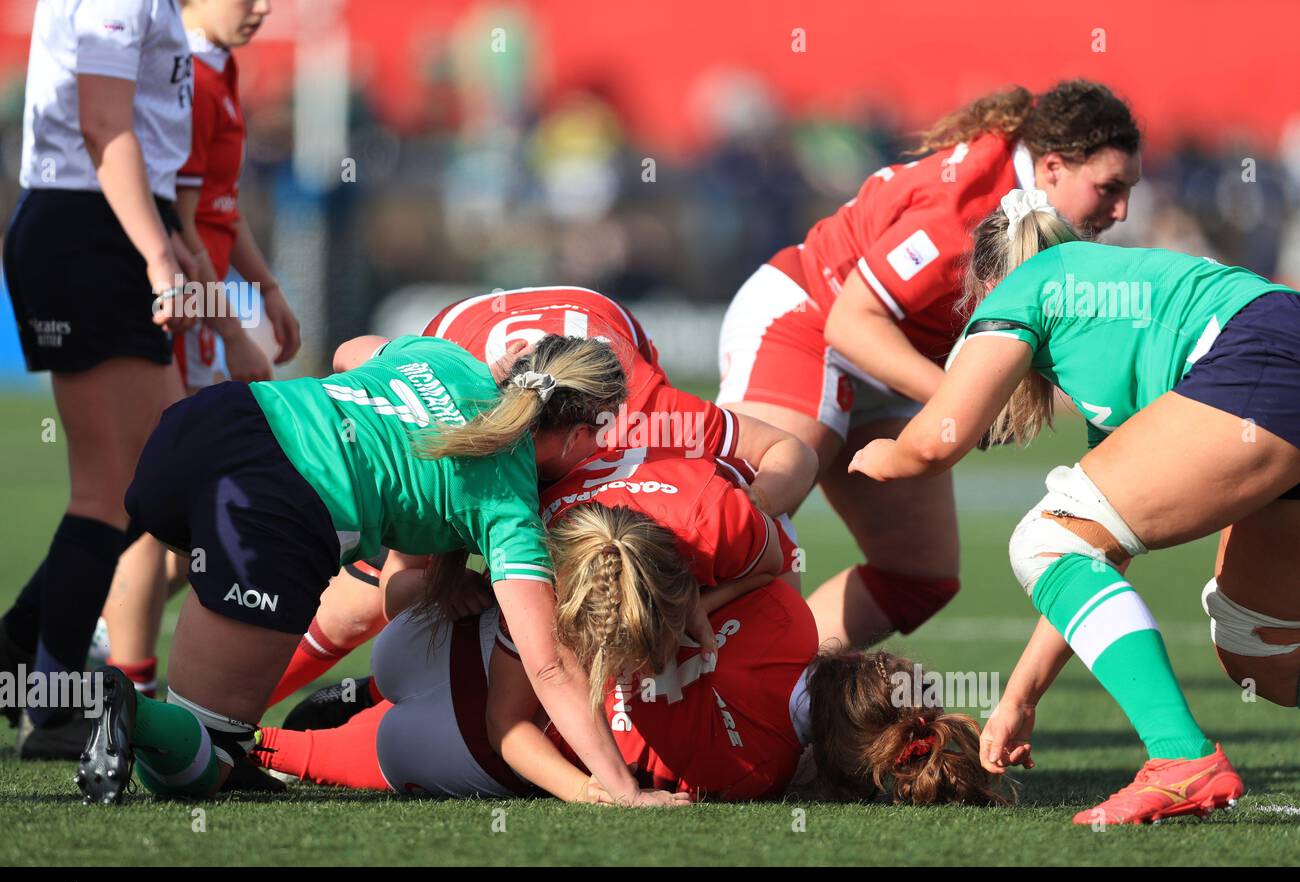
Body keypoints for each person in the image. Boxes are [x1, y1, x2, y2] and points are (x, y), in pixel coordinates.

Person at [77, 334, 690, 811]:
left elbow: (349, 353)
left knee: (211, 726)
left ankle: (151, 710)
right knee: (209, 764)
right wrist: (624, 789)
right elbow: (549, 663)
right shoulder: (508, 506)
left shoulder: (449, 358)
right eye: (601, 434)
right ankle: (132, 704)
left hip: (206, 425)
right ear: (577, 432)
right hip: (272, 502)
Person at [848, 188, 1300, 824]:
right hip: (1275, 350)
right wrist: (1020, 696)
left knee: (1039, 540)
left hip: (1264, 360)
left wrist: (880, 455)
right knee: (1263, 655)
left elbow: (934, 443)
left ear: (984, 285)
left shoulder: (1024, 287)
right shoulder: (1108, 318)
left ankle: (1180, 758)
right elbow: (1100, 551)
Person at [255, 449, 1006, 807]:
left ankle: (347, 681)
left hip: (466, 633)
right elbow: (616, 707)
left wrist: (713, 605)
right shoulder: (758, 774)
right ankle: (272, 733)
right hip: (475, 747)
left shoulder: (781, 612)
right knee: (279, 756)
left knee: (422, 593)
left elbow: (767, 547)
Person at [716, 80, 1141, 647]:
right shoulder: (963, 210)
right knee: (753, 509)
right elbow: (851, 322)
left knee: (919, 576)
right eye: (1109, 188)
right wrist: (961, 401)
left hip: (884, 354)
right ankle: (636, 671)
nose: (1121, 210)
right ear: (1055, 168)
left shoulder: (1030, 193)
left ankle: (785, 684)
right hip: (807, 318)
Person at [262, 285, 816, 707]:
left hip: (580, 341)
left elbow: (791, 453)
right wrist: (449, 587)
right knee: (359, 608)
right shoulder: (457, 427)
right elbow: (394, 589)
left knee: (766, 544)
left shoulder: (648, 415)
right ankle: (250, 716)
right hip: (473, 362)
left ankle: (775, 702)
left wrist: (748, 518)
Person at [0, 0, 197, 757]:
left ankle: (17, 661)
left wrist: (165, 244)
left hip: (110, 225)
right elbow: (103, 124)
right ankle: (50, 712)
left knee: (148, 486)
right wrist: (156, 254)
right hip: (89, 231)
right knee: (112, 491)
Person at [99, 0, 302, 709]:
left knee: (194, 527)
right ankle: (125, 688)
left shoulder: (219, 67)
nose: (263, 7)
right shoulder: (181, 74)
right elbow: (179, 227)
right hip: (181, 318)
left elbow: (220, 206)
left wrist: (265, 290)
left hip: (205, 316)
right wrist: (233, 329)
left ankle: (90, 644)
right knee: (159, 512)